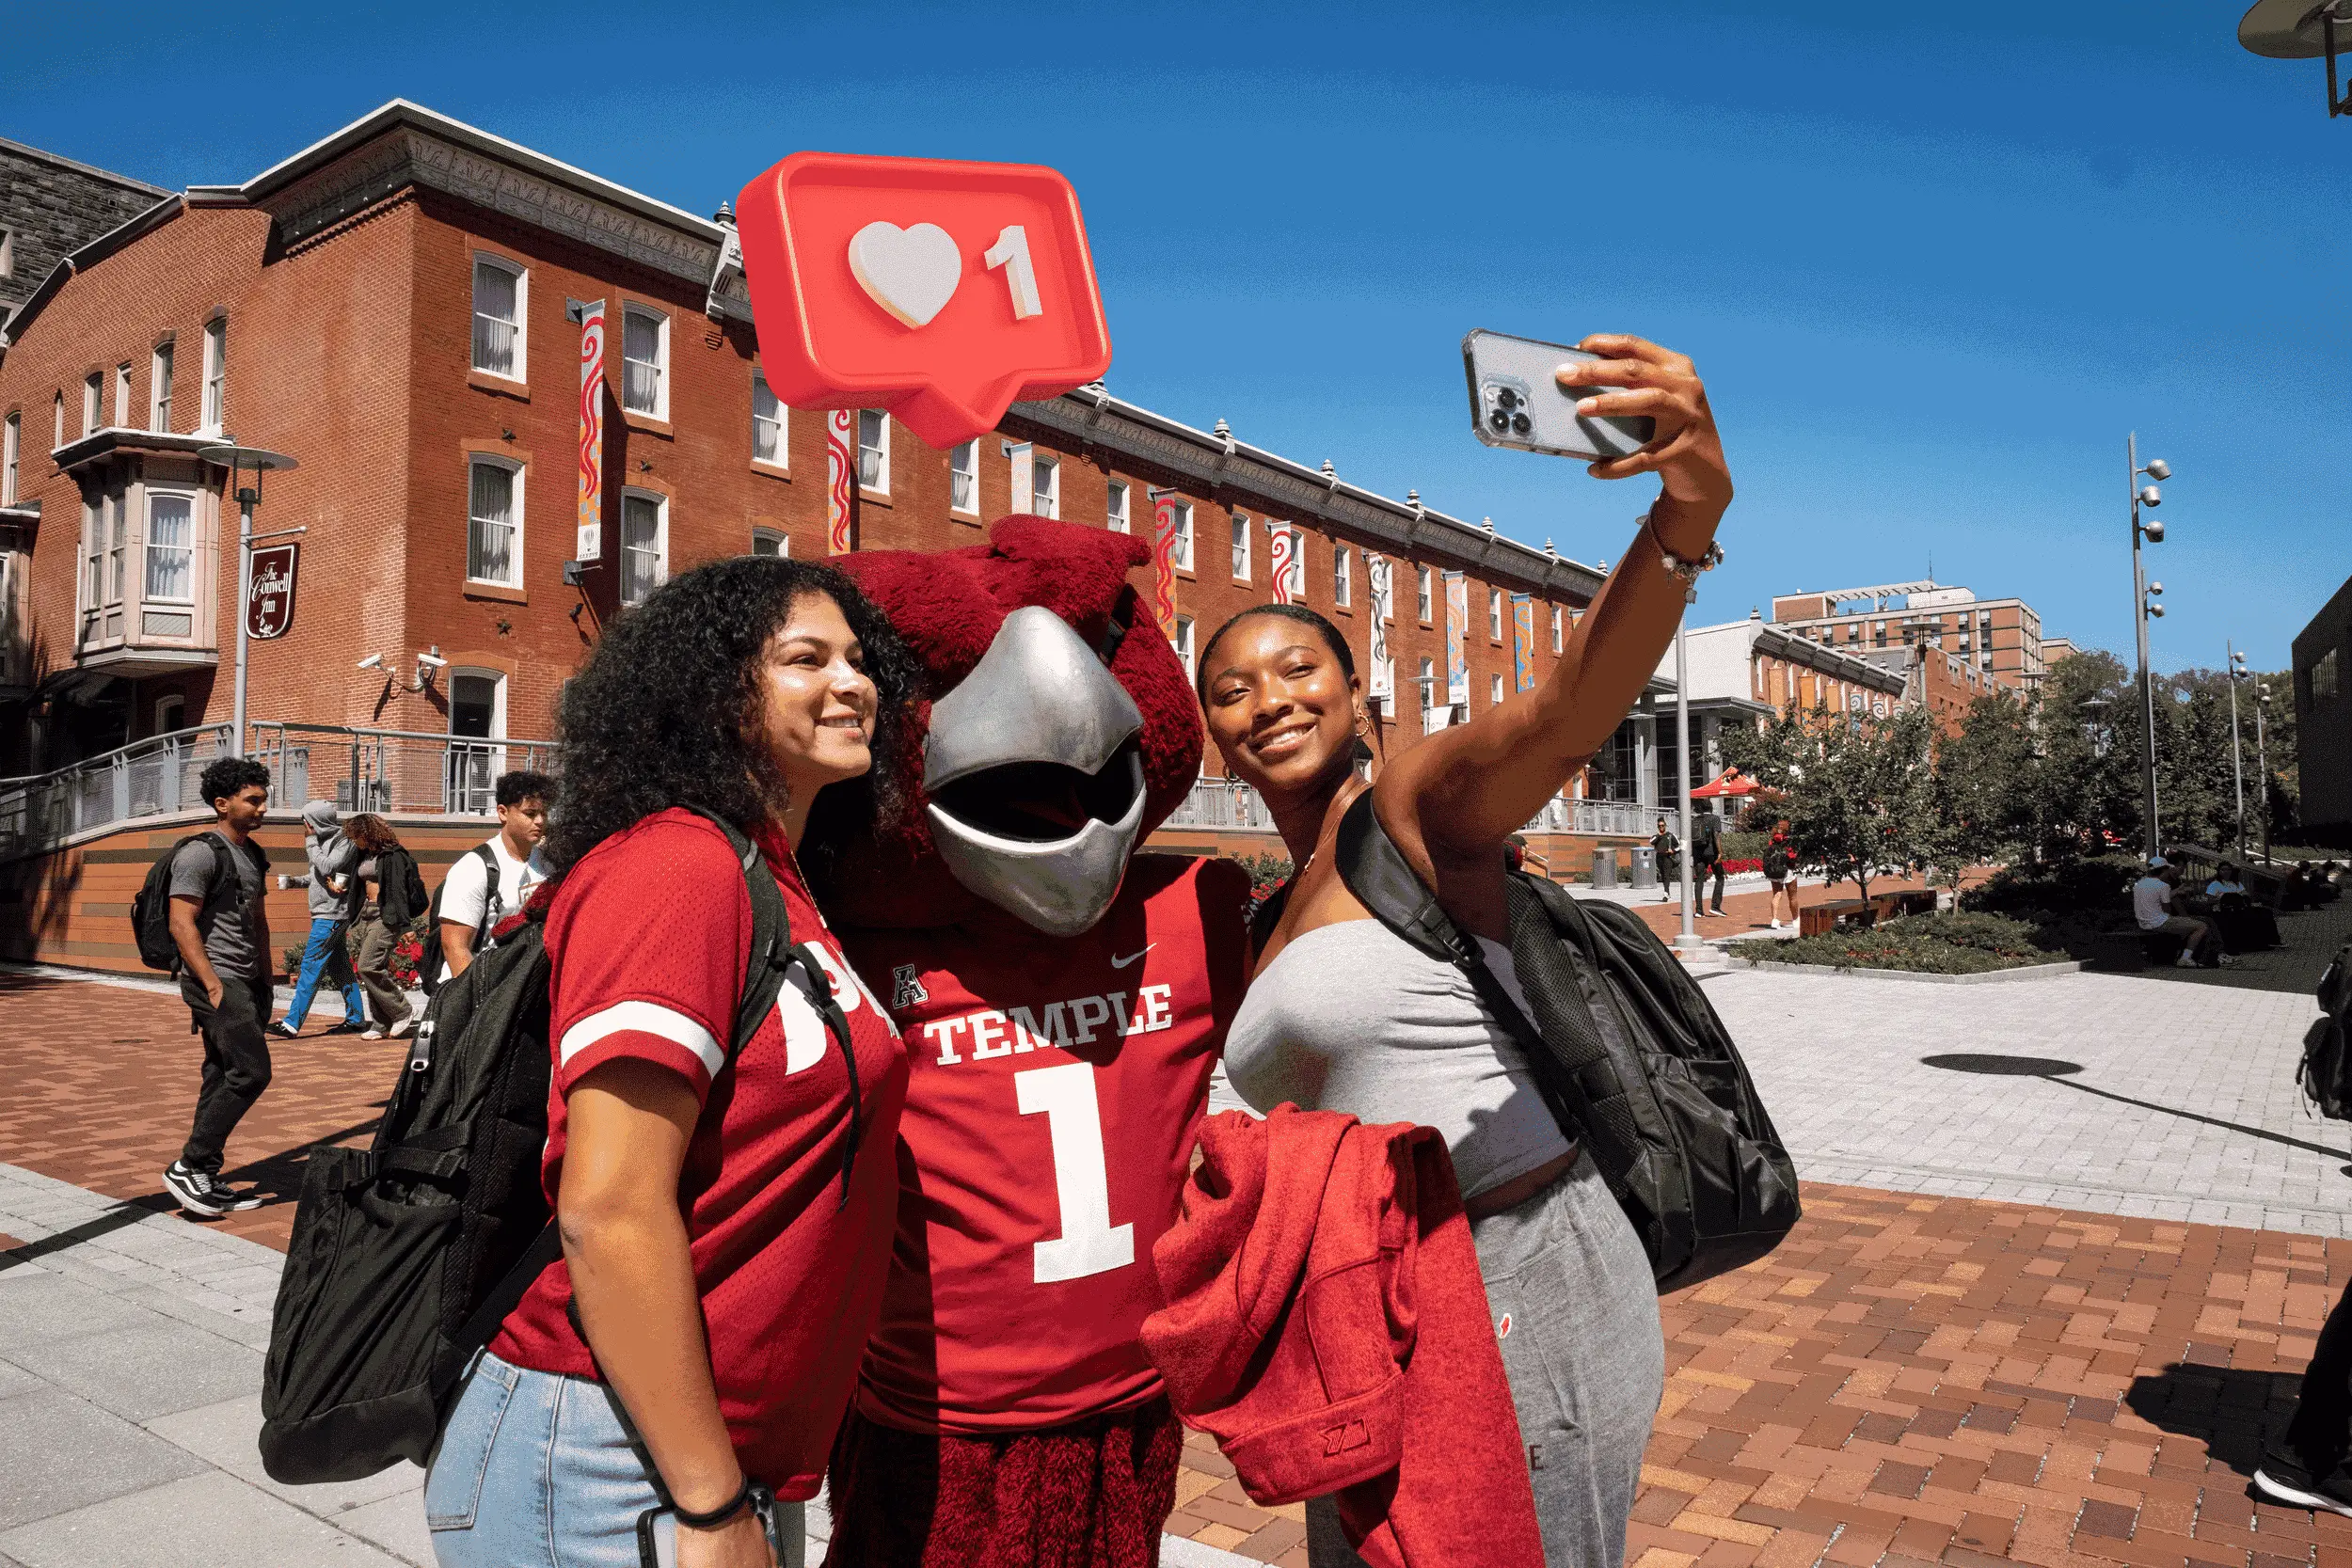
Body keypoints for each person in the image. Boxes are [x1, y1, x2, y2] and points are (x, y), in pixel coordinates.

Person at [1202, 332, 1725, 1568]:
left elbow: (1567, 709)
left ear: (1359, 698)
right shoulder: (1266, 909)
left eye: (1297, 667)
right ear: (1214, 731)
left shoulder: (1414, 811)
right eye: (1230, 686)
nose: (1267, 697)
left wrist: (1684, 518)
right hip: (1369, 1310)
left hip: (1518, 1275)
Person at [426, 557, 917, 1568]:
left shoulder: (773, 874)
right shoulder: (679, 865)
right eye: (807, 658)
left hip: (706, 1452)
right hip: (610, 1461)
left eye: (859, 660)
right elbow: (608, 1205)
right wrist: (709, 1502)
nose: (853, 682)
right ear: (714, 691)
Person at [161, 755, 277, 1219]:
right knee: (251, 1072)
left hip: (246, 980)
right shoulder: (199, 853)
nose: (262, 808)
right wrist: (211, 984)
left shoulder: (252, 853)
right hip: (216, 977)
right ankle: (189, 1164)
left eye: (264, 799)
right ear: (222, 803)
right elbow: (181, 922)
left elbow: (258, 920)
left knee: (221, 1072)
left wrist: (266, 978)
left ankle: (203, 1173)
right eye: (253, 800)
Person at [436, 769, 552, 983]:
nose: (539, 821)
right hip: (478, 985)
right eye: (530, 813)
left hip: (523, 985)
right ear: (502, 812)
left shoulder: (548, 864)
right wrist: (477, 998)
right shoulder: (473, 868)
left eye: (544, 813)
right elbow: (455, 947)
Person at [271, 800, 369, 1039]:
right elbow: (318, 876)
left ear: (316, 822)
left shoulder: (343, 841)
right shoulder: (324, 842)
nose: (304, 826)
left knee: (310, 966)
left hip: (332, 915)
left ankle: (291, 1024)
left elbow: (327, 867)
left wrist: (310, 841)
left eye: (306, 821)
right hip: (324, 913)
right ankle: (356, 1019)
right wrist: (295, 882)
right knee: (340, 968)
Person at [342, 814, 417, 1039]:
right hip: (367, 913)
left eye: (356, 836)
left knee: (368, 966)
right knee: (373, 969)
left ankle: (402, 1010)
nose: (354, 841)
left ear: (367, 833)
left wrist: (405, 926)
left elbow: (398, 892)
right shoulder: (365, 854)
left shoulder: (393, 856)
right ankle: (381, 1023)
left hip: (386, 916)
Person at [2133, 857, 2229, 969]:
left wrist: (2176, 892)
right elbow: (2167, 909)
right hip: (2159, 922)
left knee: (2191, 922)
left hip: (2142, 923)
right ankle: (2185, 958)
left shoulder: (2139, 884)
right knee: (2202, 926)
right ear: (2164, 870)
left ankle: (2202, 956)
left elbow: (2153, 899)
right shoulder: (2163, 886)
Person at [1692, 808, 1726, 916]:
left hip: (1698, 853)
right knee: (1720, 877)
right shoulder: (1714, 818)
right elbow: (1716, 835)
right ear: (1711, 808)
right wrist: (1720, 852)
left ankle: (1699, 910)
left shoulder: (1695, 819)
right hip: (1712, 852)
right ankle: (1715, 907)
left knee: (1699, 880)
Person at [1764, 822, 1796, 930]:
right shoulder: (1788, 841)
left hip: (1774, 870)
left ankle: (1774, 919)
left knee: (1776, 894)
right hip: (1787, 870)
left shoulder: (1772, 840)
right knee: (1792, 896)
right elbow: (1792, 855)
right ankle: (1796, 919)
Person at [1650, 815, 1680, 904]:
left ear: (1665, 826)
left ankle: (1666, 893)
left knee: (1666, 875)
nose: (1661, 827)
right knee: (1663, 875)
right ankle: (1667, 893)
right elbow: (1651, 842)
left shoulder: (1670, 835)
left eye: (1662, 825)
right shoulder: (1656, 836)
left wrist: (1673, 851)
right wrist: (1659, 835)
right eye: (1659, 826)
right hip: (1659, 857)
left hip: (1668, 857)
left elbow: (1680, 846)